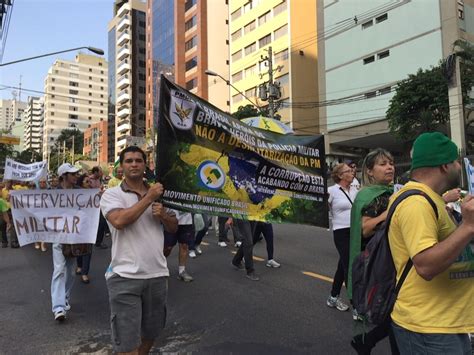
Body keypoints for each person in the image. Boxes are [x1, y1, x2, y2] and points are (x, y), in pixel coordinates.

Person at [388, 132, 474, 354]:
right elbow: (426, 265)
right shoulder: (416, 203)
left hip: (445, 321)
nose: (458, 166)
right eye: (455, 161)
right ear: (444, 165)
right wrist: (467, 226)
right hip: (428, 328)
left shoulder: (432, 198)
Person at [100, 146, 178, 354]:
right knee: (127, 344)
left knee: (151, 334)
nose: (134, 164)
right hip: (124, 276)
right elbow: (119, 221)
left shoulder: (159, 193)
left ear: (145, 164)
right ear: (121, 166)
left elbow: (173, 227)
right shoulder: (111, 195)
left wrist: (163, 215)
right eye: (128, 161)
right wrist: (149, 198)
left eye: (138, 160)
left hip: (157, 274)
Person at [348, 148, 396, 354]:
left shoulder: (391, 192)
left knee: (396, 313)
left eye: (391, 163)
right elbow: (366, 229)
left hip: (394, 261)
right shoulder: (369, 196)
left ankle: (366, 340)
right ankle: (366, 340)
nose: (389, 167)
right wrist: (390, 211)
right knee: (395, 312)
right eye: (383, 164)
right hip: (379, 263)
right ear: (369, 171)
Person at [51, 163, 81, 321]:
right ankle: (58, 307)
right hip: (58, 237)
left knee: (70, 271)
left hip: (74, 237)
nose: (76, 176)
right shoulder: (53, 193)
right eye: (72, 174)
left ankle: (65, 297)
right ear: (64, 176)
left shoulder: (80, 192)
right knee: (59, 270)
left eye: (76, 174)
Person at [326, 163, 358, 312]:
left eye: (351, 170)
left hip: (356, 231)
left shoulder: (355, 189)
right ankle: (356, 306)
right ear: (340, 175)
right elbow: (320, 210)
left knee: (342, 265)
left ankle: (333, 297)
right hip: (340, 232)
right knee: (349, 266)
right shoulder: (331, 191)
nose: (352, 172)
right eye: (348, 171)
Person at [163, 210, 194, 282]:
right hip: (170, 218)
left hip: (186, 220)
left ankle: (182, 271)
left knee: (184, 245)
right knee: (168, 247)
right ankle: (160, 266)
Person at [75, 173, 94, 284]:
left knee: (88, 249)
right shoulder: (76, 193)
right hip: (78, 224)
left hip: (89, 225)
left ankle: (85, 273)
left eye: (90, 181)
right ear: (81, 183)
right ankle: (79, 265)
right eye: (87, 181)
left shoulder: (93, 194)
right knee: (78, 247)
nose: (89, 183)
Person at [2, 180, 20, 248]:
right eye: (7, 182)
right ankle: (4, 242)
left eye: (9, 182)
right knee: (3, 225)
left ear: (12, 183)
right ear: (5, 183)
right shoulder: (2, 190)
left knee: (14, 226)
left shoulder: (15, 190)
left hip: (13, 210)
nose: (8, 184)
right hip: (4, 210)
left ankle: (13, 242)